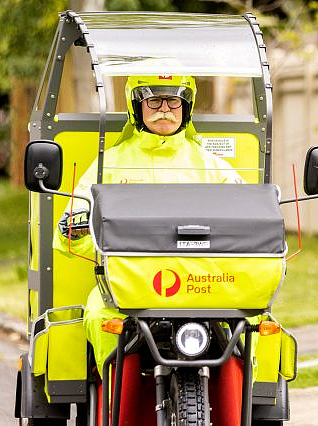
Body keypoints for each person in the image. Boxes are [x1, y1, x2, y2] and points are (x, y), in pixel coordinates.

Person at [54, 75, 244, 368]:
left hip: (203, 285)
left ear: (186, 107)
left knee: (253, 320)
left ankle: (239, 409)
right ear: (136, 106)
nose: (164, 109)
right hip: (125, 286)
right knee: (99, 314)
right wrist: (74, 225)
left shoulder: (211, 164)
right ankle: (115, 405)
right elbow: (74, 217)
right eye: (153, 100)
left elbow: (246, 210)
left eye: (174, 100)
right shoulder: (109, 163)